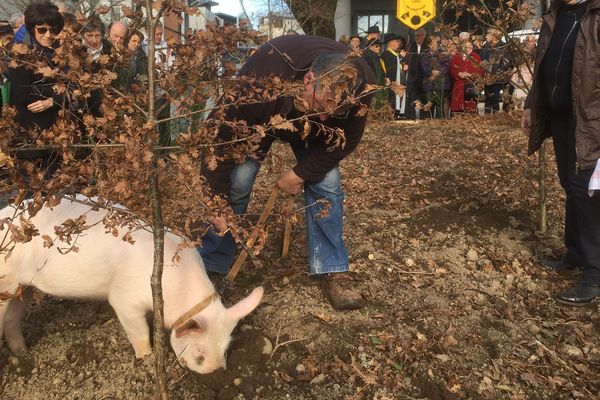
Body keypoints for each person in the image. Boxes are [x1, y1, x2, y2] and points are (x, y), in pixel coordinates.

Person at [199, 35, 375, 311]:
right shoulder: (259, 82)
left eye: (336, 110)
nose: (327, 116)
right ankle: (212, 266)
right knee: (237, 182)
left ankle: (332, 270)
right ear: (308, 80)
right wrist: (215, 203)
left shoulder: (360, 85)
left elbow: (346, 140)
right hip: (263, 117)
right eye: (322, 104)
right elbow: (216, 142)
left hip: (314, 133)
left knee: (327, 185)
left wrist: (299, 173)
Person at [522, 0, 600, 305]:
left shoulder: (595, 15)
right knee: (571, 185)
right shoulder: (556, 15)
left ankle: (595, 275)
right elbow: (546, 63)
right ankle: (575, 253)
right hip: (562, 117)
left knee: (588, 191)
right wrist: (532, 102)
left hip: (590, 120)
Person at [7, 2, 65, 174]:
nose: (48, 35)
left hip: (59, 136)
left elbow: (77, 89)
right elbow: (23, 93)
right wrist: (57, 89)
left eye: (53, 30)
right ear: (32, 29)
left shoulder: (63, 55)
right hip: (31, 136)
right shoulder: (21, 56)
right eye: (42, 30)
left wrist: (51, 101)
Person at [421, 35, 451, 118]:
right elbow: (423, 67)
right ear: (428, 45)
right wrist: (431, 72)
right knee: (429, 105)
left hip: (441, 84)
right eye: (431, 43)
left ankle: (440, 123)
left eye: (435, 42)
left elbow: (447, 65)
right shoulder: (425, 55)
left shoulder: (444, 53)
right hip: (429, 84)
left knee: (440, 105)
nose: (433, 45)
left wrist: (438, 72)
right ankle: (428, 123)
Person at [479, 28, 509, 114]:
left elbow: (506, 62)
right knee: (487, 97)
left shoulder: (503, 46)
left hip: (497, 76)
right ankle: (487, 117)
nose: (486, 36)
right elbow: (482, 59)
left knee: (495, 97)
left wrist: (498, 71)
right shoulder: (485, 46)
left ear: (494, 36)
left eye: (488, 34)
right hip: (487, 76)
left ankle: (496, 117)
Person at [449, 41, 483, 113]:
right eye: (467, 47)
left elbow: (480, 71)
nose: (469, 48)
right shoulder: (456, 56)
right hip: (459, 84)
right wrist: (459, 73)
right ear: (462, 47)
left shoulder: (476, 57)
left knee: (470, 106)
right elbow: (452, 70)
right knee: (458, 106)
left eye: (471, 46)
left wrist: (470, 75)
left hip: (471, 84)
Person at [381, 32, 408, 119]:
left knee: (399, 96)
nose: (398, 43)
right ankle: (394, 113)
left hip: (399, 79)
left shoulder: (394, 54)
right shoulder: (386, 53)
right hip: (392, 81)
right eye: (396, 41)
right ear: (391, 43)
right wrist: (400, 57)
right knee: (393, 98)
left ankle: (399, 112)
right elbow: (390, 67)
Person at [406, 28, 429, 119]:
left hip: (424, 78)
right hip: (412, 77)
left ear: (423, 36)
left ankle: (425, 118)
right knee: (411, 98)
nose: (416, 37)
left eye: (418, 35)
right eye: (415, 35)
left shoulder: (427, 47)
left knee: (424, 99)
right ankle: (410, 117)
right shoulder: (411, 45)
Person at [362, 38, 387, 109]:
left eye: (379, 46)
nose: (379, 48)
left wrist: (385, 77)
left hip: (378, 83)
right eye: (376, 46)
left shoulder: (377, 56)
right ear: (370, 46)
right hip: (371, 83)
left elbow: (381, 70)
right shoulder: (368, 55)